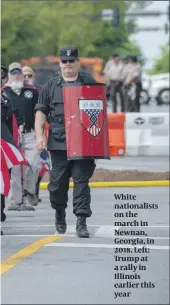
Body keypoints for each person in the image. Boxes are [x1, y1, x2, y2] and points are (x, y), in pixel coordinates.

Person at [34, 46, 97, 238]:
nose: (68, 64)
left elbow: (99, 110)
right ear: (60, 63)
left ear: (78, 62)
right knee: (57, 185)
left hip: (84, 143)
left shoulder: (89, 83)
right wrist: (39, 135)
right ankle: (59, 212)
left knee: (81, 182)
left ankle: (81, 222)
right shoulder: (51, 85)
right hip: (59, 143)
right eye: (64, 61)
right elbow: (41, 111)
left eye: (71, 61)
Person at [3, 62, 41, 211]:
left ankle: (30, 191)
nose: (17, 75)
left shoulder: (32, 90)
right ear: (9, 75)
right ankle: (16, 200)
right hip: (12, 135)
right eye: (13, 73)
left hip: (31, 133)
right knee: (15, 168)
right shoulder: (4, 91)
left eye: (19, 72)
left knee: (34, 164)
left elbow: (40, 111)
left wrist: (41, 131)